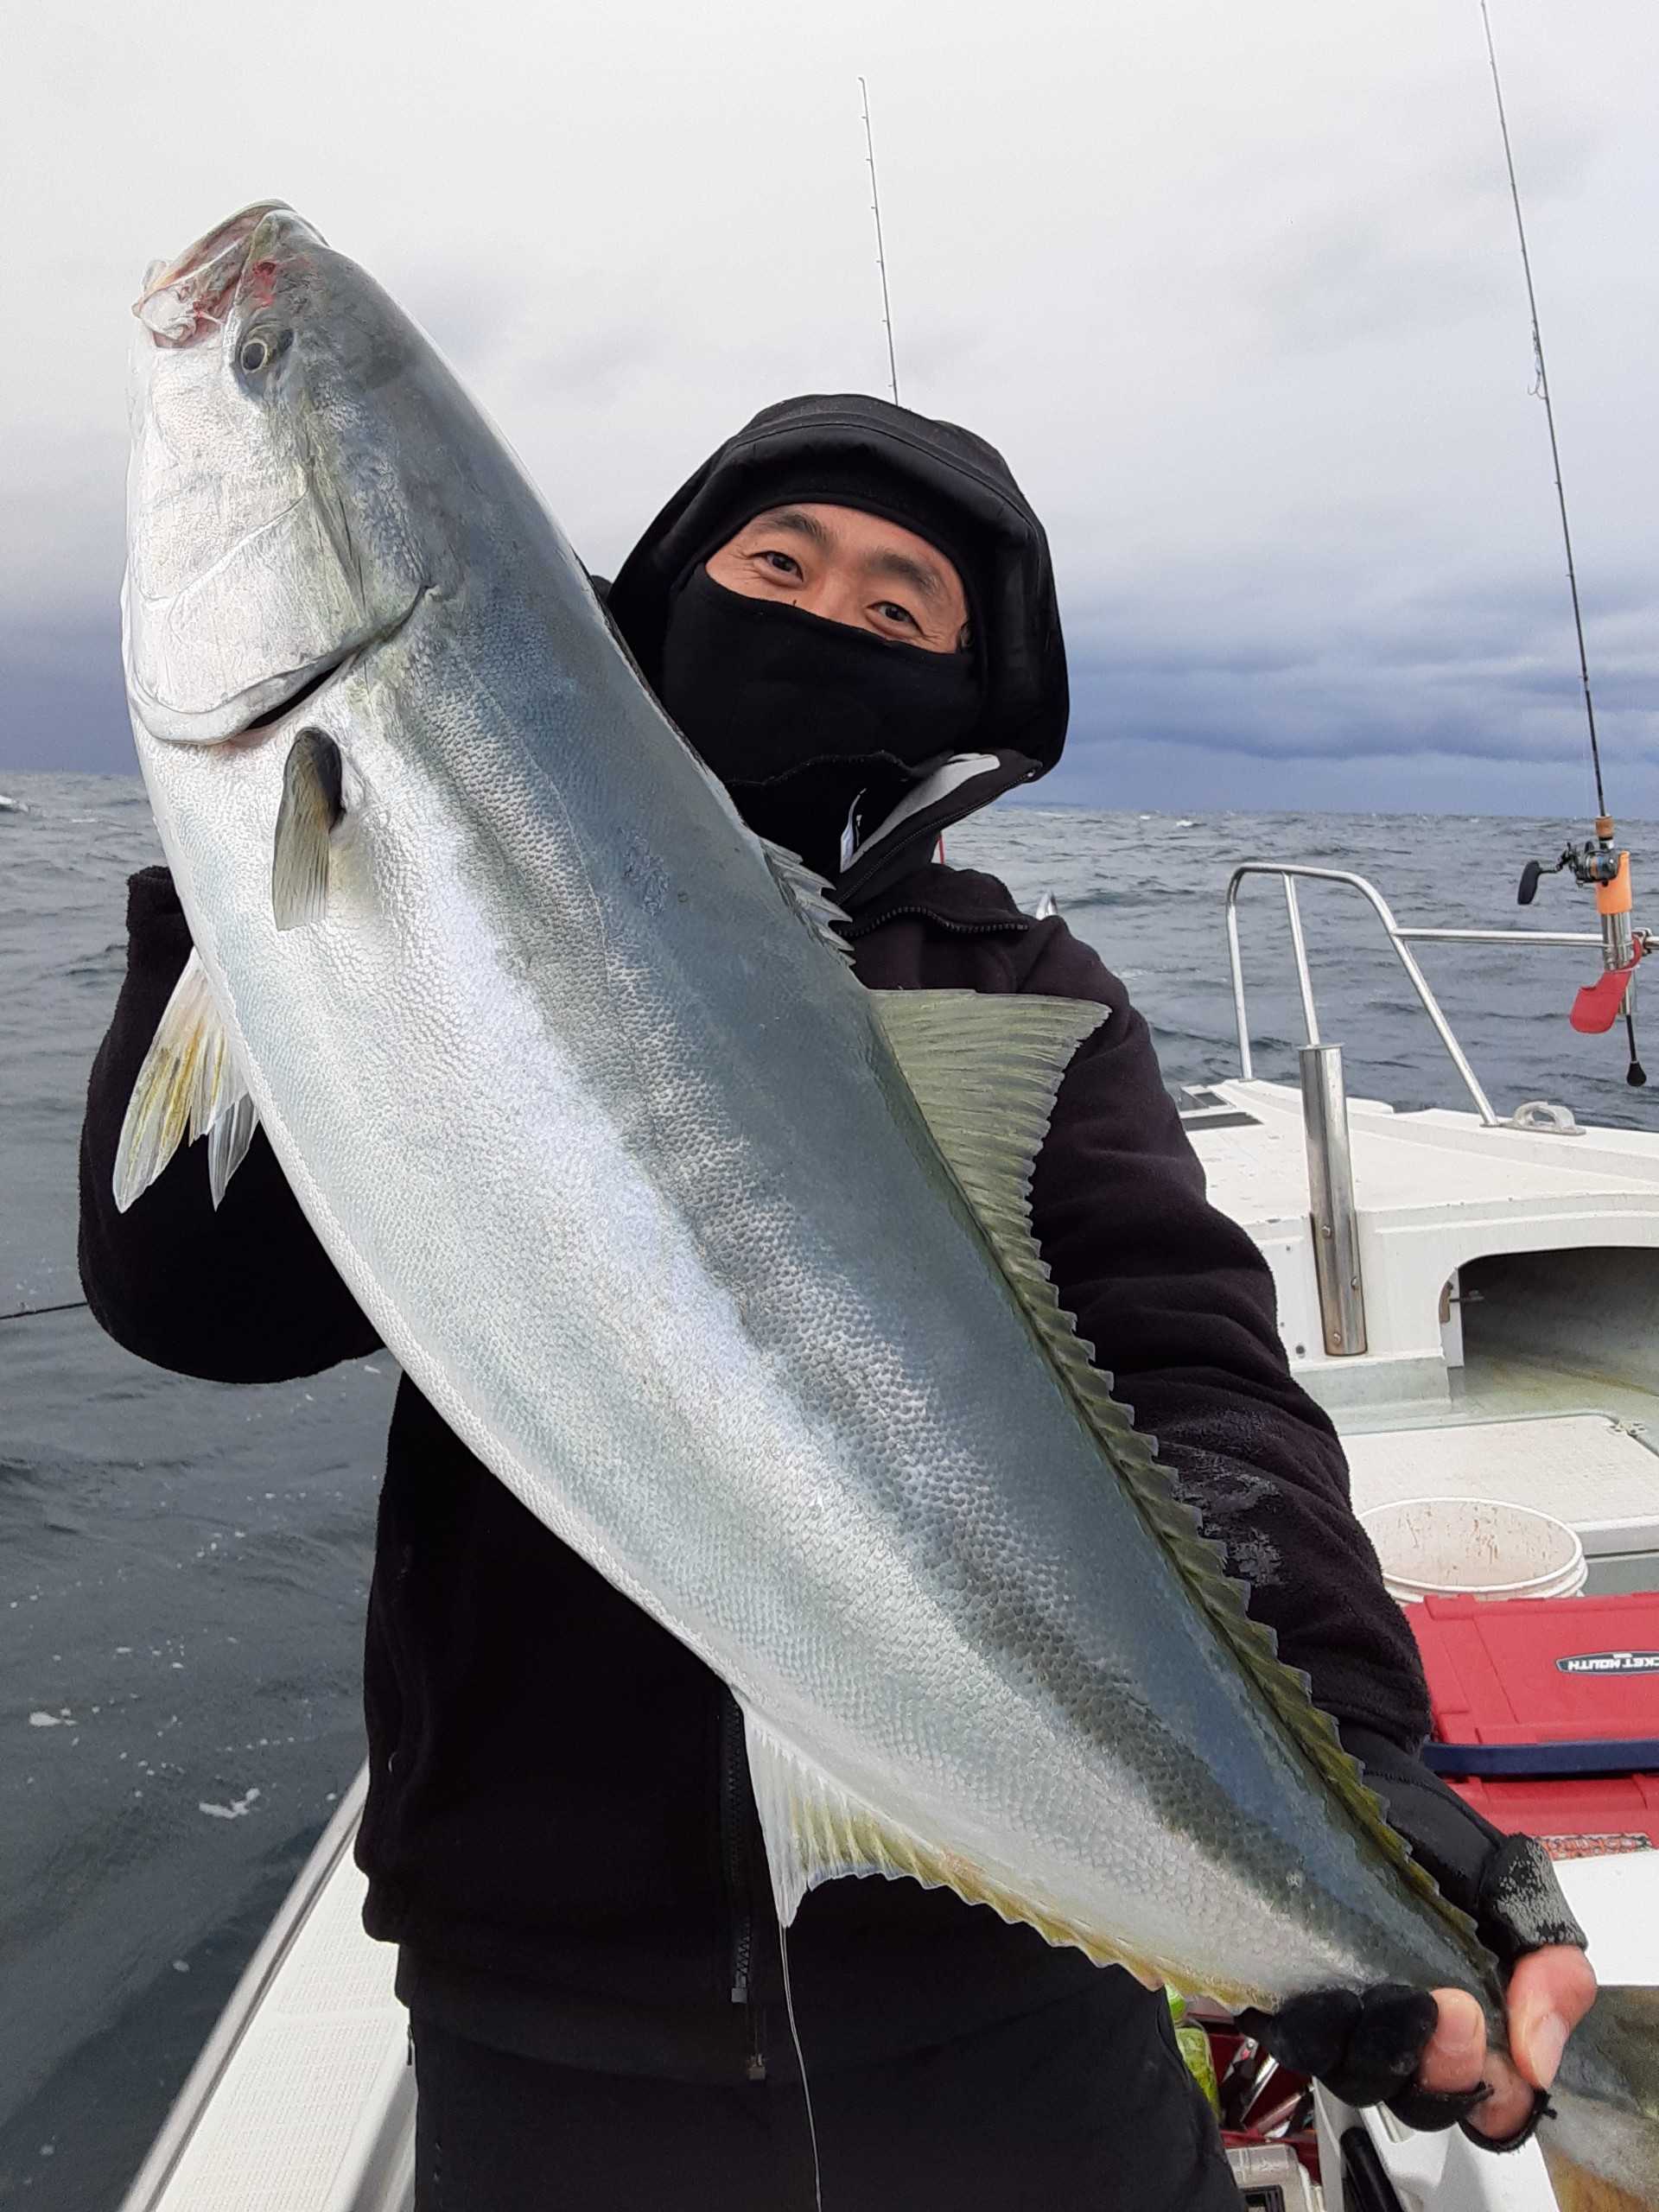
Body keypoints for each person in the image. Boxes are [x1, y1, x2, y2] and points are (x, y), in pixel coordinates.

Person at [79, 393, 1593, 2209]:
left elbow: (1195, 1371)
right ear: (652, 608)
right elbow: (196, 1302)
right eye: (776, 562)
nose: (824, 616)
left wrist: (1358, 1766)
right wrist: (259, 870)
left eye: (898, 609)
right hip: (546, 1996)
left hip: (1007, 1974)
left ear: (968, 691)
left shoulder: (1022, 986)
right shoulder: (430, 937)